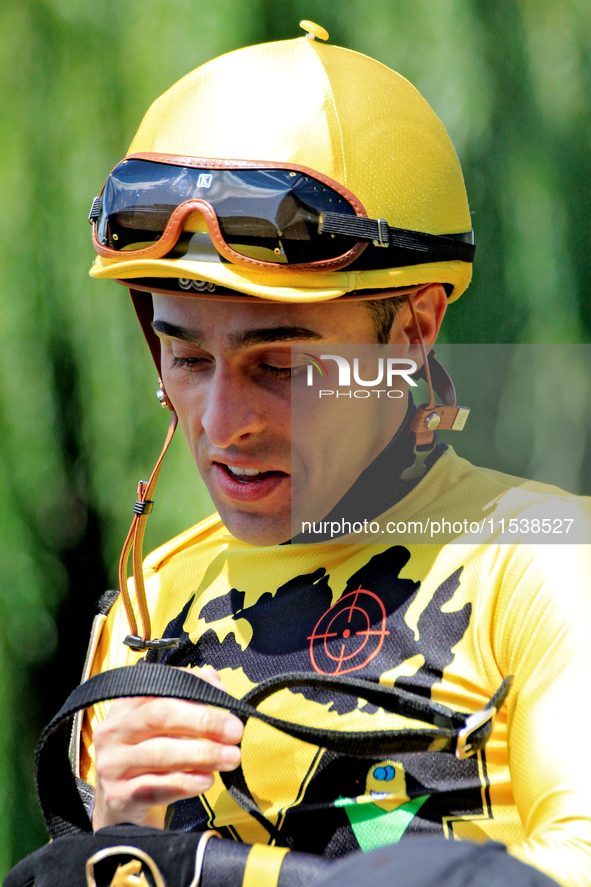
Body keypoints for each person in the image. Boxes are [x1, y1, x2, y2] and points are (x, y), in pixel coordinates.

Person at [77, 21, 591, 887]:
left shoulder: (544, 562)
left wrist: (232, 874)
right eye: (188, 358)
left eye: (280, 364)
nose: (220, 421)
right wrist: (113, 833)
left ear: (415, 329)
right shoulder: (147, 600)